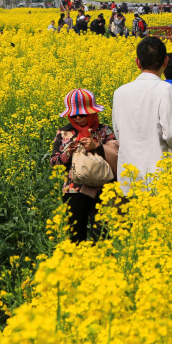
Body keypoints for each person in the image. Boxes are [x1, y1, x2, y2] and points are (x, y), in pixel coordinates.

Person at [111, 37, 172, 196]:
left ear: (137, 62)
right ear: (166, 61)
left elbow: (118, 132)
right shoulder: (166, 89)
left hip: (128, 175)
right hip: (158, 174)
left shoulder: (119, 92)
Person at [49, 88, 119, 243]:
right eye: (74, 115)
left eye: (84, 114)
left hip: (103, 189)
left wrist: (97, 146)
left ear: (93, 112)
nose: (79, 117)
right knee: (74, 235)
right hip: (74, 190)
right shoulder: (64, 133)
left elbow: (116, 157)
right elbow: (54, 162)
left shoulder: (104, 131)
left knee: (102, 234)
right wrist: (68, 154)